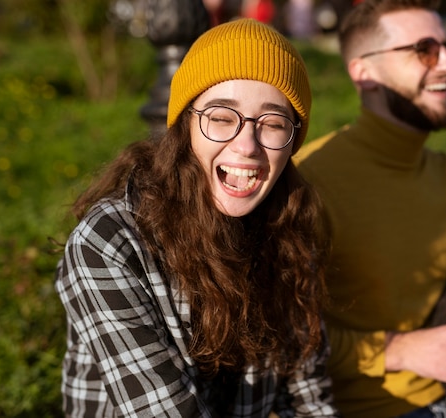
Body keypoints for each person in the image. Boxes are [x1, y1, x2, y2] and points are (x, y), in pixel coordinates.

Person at [55, 18, 340, 418]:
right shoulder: (110, 242)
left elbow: (311, 401)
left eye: (273, 124)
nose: (247, 145)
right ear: (186, 124)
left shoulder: (288, 235)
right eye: (222, 117)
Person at [294, 1, 446, 417]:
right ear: (364, 72)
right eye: (424, 50)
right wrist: (398, 350)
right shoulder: (307, 183)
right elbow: (279, 336)